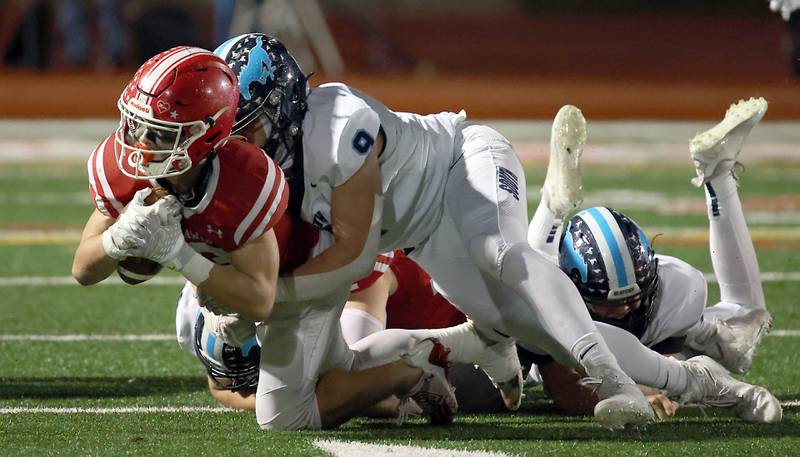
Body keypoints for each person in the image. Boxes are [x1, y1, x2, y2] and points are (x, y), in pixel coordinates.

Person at [214, 32, 654, 430]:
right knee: (524, 325)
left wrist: (263, 299)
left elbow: (354, 255)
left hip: (460, 162)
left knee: (497, 250)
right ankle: (702, 381)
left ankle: (615, 380)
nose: (242, 143)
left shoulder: (339, 125)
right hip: (422, 236)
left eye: (250, 125)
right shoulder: (270, 166)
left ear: (285, 104)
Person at [70, 46, 489, 431]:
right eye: (137, 125)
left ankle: (419, 365)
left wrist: (180, 255)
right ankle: (427, 358)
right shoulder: (127, 165)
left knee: (286, 413)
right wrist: (117, 240)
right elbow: (83, 270)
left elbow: (261, 299)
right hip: (246, 281)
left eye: (160, 133)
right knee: (325, 363)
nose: (140, 145)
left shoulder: (245, 182)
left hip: (310, 265)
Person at [525, 98, 780, 422]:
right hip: (560, 338)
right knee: (534, 288)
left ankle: (719, 174)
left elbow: (666, 358)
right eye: (611, 305)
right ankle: (552, 207)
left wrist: (649, 382)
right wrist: (641, 391)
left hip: (641, 338)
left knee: (740, 337)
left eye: (636, 296)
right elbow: (566, 389)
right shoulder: (553, 301)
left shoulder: (671, 292)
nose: (628, 309)